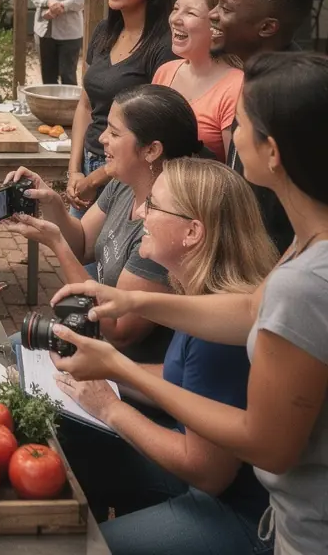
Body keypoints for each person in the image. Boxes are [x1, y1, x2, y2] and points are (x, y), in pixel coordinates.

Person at [50, 52, 328, 555]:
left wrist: (119, 374)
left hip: (299, 529)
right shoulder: (305, 244)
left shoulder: (307, 283)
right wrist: (130, 299)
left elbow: (267, 443)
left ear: (273, 152)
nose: (228, 136)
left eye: (240, 124)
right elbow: (247, 311)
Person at [51, 158, 277, 555]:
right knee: (67, 437)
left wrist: (110, 407)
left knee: (76, 549)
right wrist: (108, 372)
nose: (139, 213)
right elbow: (182, 383)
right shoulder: (200, 295)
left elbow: (209, 473)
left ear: (193, 232)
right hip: (205, 478)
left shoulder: (217, 334)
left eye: (153, 205)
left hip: (239, 514)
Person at [7, 84, 202, 363]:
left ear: (151, 150)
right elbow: (84, 243)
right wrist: (51, 202)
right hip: (95, 339)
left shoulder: (166, 227)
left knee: (15, 351)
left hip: (123, 368)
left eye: (114, 132)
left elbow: (119, 329)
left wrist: (56, 243)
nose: (101, 139)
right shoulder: (124, 184)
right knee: (13, 345)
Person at [211, 0, 314, 252]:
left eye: (226, 9)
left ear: (267, 27)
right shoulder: (258, 74)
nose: (212, 14)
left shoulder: (291, 96)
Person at [67, 0, 175, 211]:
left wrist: (97, 178)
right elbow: (85, 104)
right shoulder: (104, 32)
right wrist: (74, 170)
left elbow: (158, 129)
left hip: (131, 175)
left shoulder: (164, 46)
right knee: (76, 249)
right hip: (89, 163)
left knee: (107, 253)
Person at [152, 0, 242, 161]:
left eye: (190, 13)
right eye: (176, 9)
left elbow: (234, 173)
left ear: (218, 23)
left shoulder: (236, 87)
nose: (175, 19)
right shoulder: (165, 72)